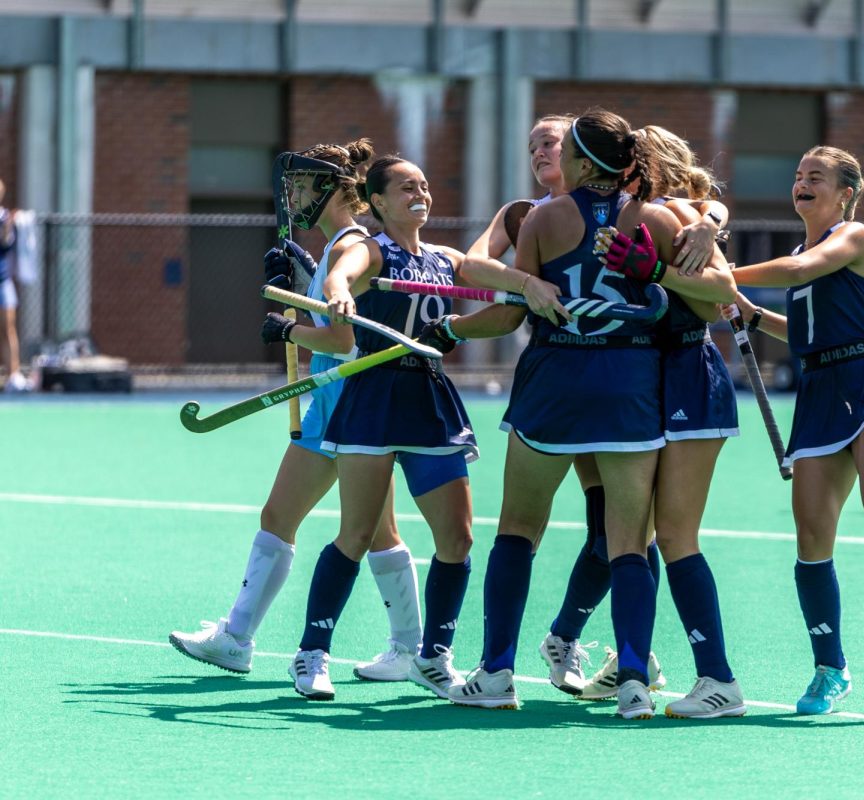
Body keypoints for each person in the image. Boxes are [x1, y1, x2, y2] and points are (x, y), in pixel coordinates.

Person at [445, 108, 735, 719]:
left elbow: (510, 310)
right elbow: (714, 300)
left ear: (579, 162)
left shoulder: (545, 216)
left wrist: (446, 330)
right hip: (630, 383)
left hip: (555, 380)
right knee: (629, 541)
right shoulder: (657, 217)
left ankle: (496, 672)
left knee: (519, 531)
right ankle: (633, 681)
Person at [170, 141, 424, 684]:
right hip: (345, 403)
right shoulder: (341, 243)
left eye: (304, 186)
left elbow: (342, 337)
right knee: (379, 531)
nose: (295, 197)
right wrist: (303, 276)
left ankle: (237, 640)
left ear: (331, 189)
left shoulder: (347, 246)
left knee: (284, 519)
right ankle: (409, 650)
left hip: (342, 402)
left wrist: (288, 328)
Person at [729, 145, 864, 716]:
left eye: (816, 177)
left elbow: (799, 272)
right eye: (798, 175)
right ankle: (831, 668)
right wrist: (746, 312)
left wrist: (725, 274)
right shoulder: (802, 251)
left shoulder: (854, 238)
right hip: (820, 391)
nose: (802, 184)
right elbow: (803, 332)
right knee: (811, 539)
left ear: (845, 192)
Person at [554, 124, 743, 718]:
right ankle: (634, 666)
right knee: (632, 537)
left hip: (688, 372)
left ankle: (718, 680)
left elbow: (719, 299)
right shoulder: (605, 213)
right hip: (642, 382)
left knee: (675, 534)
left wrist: (659, 270)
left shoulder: (675, 215)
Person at [285, 155, 490, 700]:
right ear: (376, 201)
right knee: (356, 534)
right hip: (374, 396)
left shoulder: (447, 258)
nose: (418, 193)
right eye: (405, 187)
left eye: (423, 185)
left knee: (458, 538)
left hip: (428, 397)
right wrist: (339, 292)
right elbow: (341, 272)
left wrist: (529, 290)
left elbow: (501, 290)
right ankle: (312, 654)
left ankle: (433, 657)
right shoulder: (370, 249)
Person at [0, 178, 29, 392]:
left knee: (8, 329)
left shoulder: (5, 219)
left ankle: (14, 375)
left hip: (3, 282)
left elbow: (5, 242)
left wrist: (9, 225)